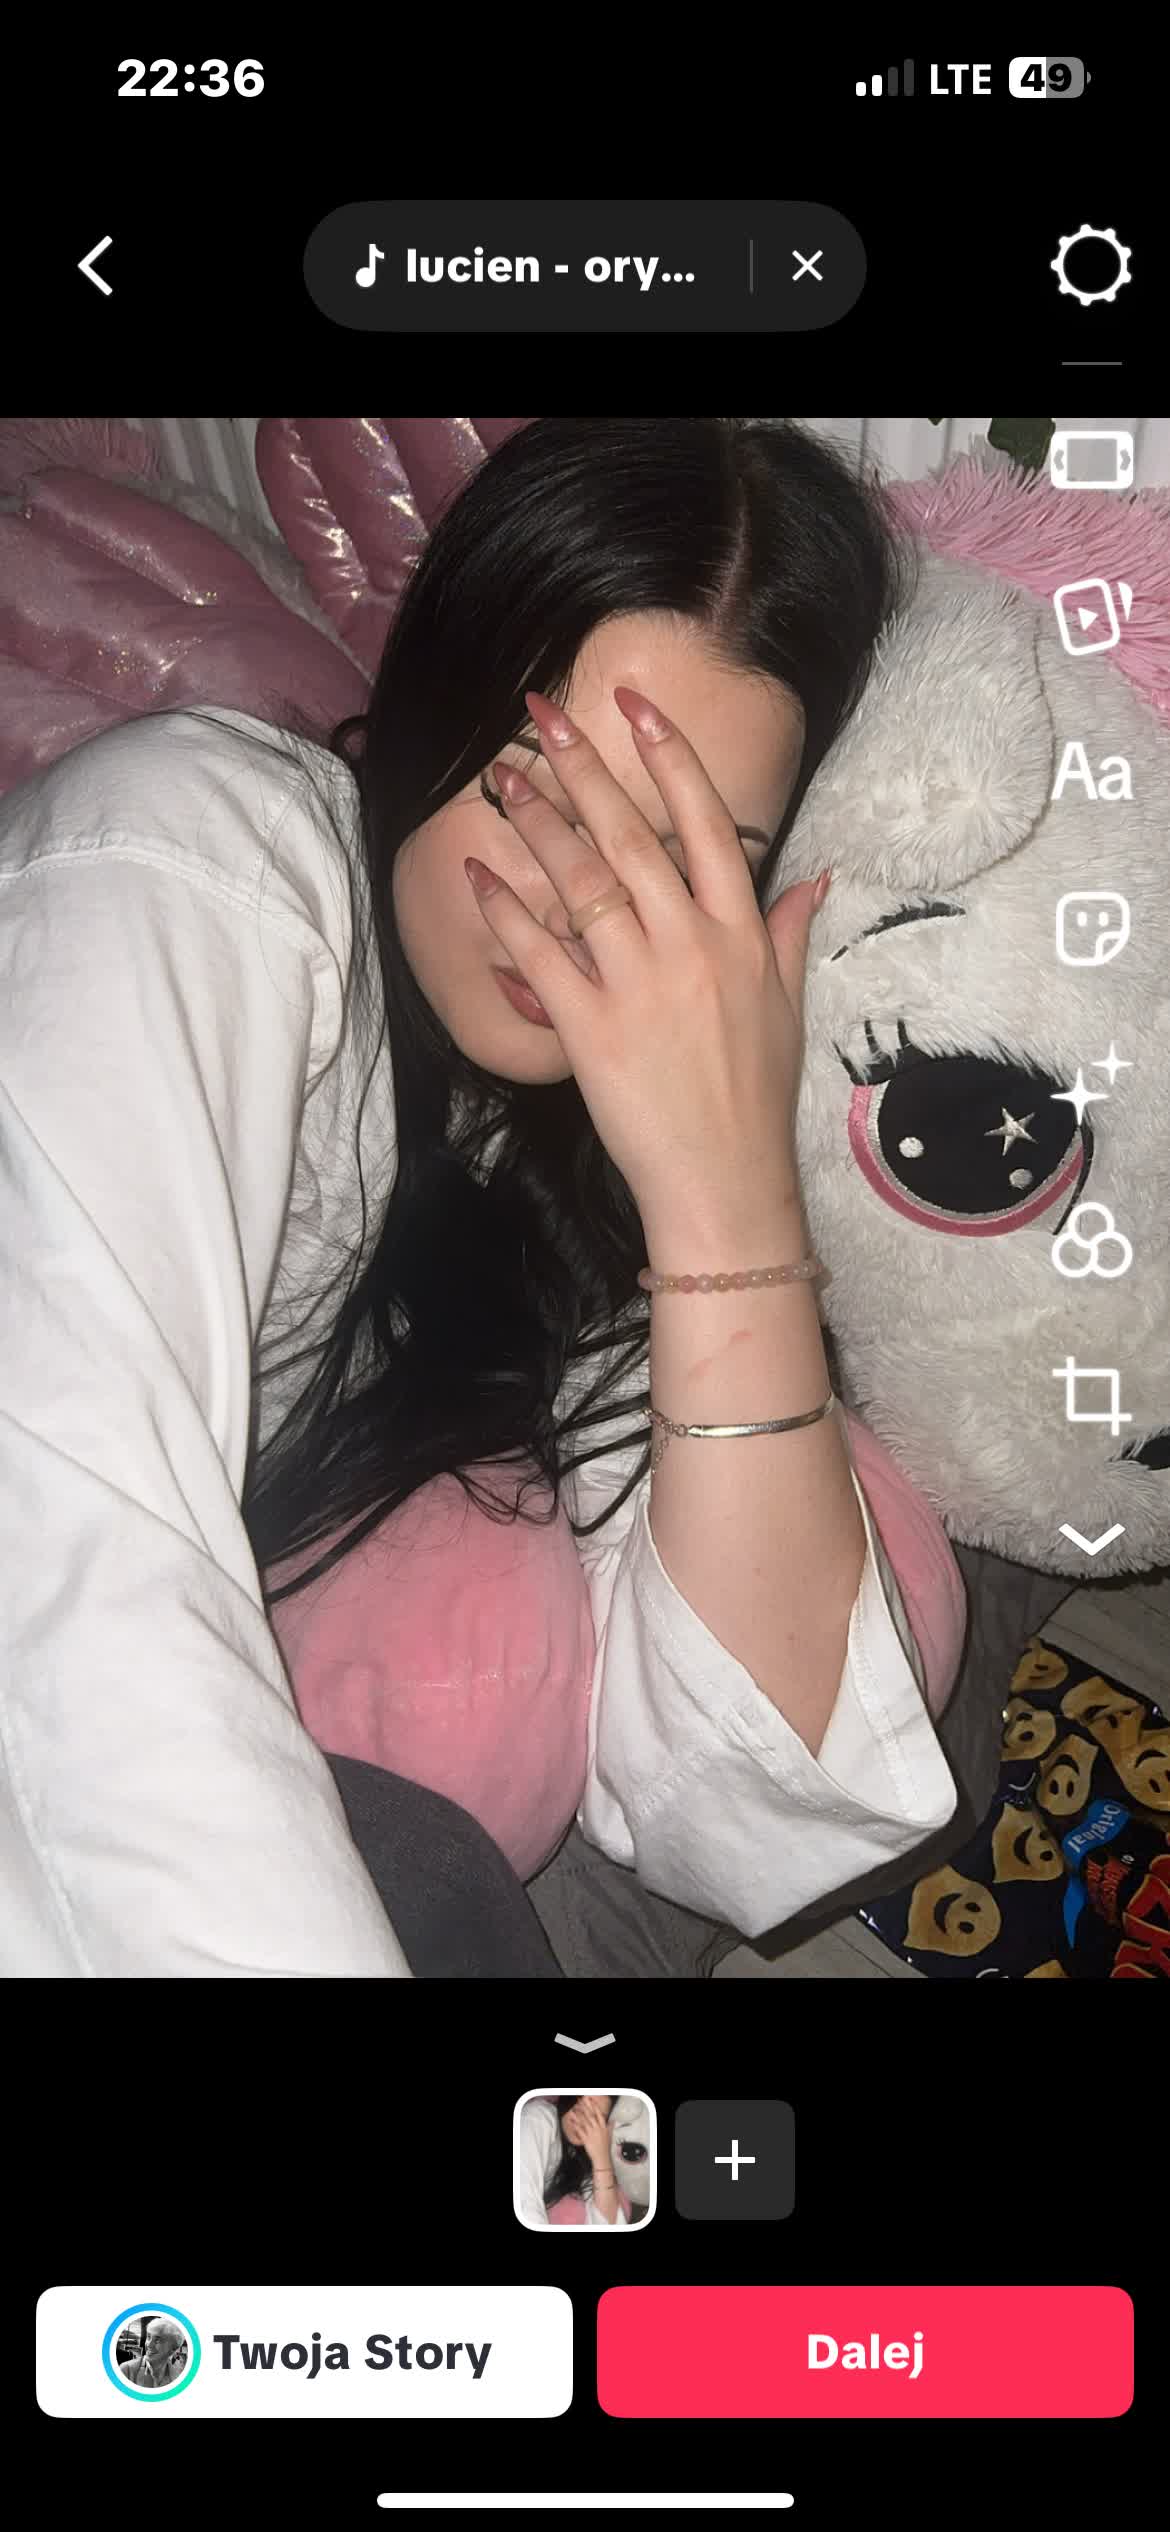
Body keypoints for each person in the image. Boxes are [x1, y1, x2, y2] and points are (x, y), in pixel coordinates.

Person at [0, 415, 968, 1978]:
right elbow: (61, 1564)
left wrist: (723, 1199)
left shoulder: (573, 1164)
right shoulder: (199, 847)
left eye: (683, 856)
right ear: (433, 693)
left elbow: (758, 1786)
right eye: (534, 782)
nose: (576, 904)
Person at [514, 2094, 650, 2228]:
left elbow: (607, 2224)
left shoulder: (582, 2158)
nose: (583, 2123)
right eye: (580, 2110)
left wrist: (601, 2158)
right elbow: (524, 2200)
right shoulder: (538, 2117)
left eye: (596, 2118)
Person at [119, 2317, 187, 2387]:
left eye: (157, 2340)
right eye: (148, 2337)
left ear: (173, 2348)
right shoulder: (127, 2369)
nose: (149, 2345)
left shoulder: (180, 2376)